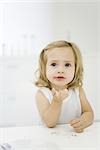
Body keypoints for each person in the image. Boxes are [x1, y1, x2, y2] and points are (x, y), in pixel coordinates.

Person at [35, 40, 94, 133]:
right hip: (49, 138)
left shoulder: (77, 91)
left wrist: (84, 121)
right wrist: (56, 101)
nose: (61, 70)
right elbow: (49, 123)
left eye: (67, 64)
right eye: (54, 64)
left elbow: (89, 113)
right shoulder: (42, 94)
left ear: (76, 68)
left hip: (73, 138)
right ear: (44, 68)